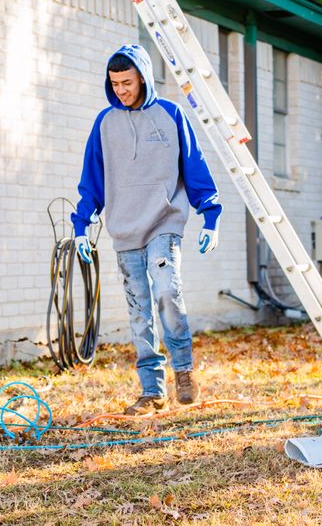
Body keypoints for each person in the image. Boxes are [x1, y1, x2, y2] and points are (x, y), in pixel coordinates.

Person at [72, 45, 222, 415]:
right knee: (140, 312)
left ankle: (183, 371)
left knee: (168, 292)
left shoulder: (171, 115)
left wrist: (211, 215)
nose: (121, 89)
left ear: (142, 76)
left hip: (163, 222)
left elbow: (195, 165)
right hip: (125, 229)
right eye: (114, 83)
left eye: (127, 82)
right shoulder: (105, 123)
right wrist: (81, 225)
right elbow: (92, 179)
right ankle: (151, 391)